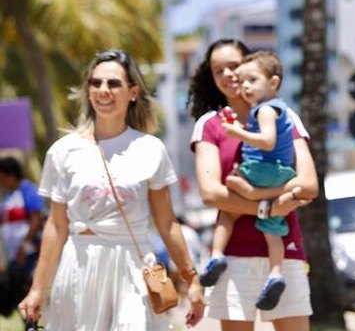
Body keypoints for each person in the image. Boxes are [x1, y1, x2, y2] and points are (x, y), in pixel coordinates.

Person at [17, 49, 204, 329]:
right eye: (96, 83)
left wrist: (192, 280)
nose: (103, 90)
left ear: (133, 92)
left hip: (133, 263)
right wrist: (37, 289)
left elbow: (167, 223)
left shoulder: (150, 149)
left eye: (113, 83)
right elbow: (56, 227)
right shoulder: (63, 151)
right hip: (79, 264)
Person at [188, 38, 318, 331]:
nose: (227, 75)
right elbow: (210, 193)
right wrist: (270, 207)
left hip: (286, 253)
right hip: (232, 256)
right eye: (217, 70)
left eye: (234, 66)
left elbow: (308, 184)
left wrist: (254, 197)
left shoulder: (286, 116)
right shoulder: (209, 124)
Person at [200, 51, 297, 312]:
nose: (244, 86)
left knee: (228, 210)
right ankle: (276, 273)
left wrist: (237, 133)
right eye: (243, 82)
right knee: (272, 228)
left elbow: (267, 141)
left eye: (251, 80)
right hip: (283, 173)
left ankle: (216, 255)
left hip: (261, 170)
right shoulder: (285, 111)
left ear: (273, 82)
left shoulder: (264, 110)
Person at [0, 157, 43, 276]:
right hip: (13, 251)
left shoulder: (28, 190)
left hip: (28, 251)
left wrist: (24, 245)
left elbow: (36, 219)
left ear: (11, 175)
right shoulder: (8, 194)